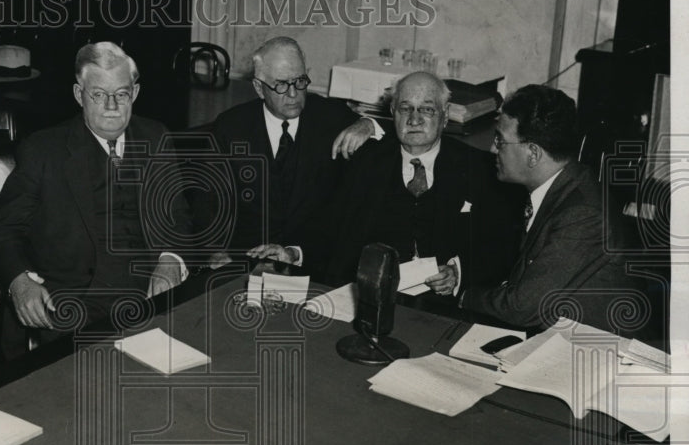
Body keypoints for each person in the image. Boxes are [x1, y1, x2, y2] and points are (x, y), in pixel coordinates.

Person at [0, 42, 192, 343]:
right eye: (98, 95)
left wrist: (171, 259)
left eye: (121, 94)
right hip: (68, 303)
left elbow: (178, 216)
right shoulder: (43, 150)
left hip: (148, 296)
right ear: (78, 95)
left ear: (134, 93)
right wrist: (20, 281)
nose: (111, 107)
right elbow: (5, 231)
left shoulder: (156, 137)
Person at [253, 71, 524, 294]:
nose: (414, 119)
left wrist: (457, 272)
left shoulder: (480, 168)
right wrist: (292, 252)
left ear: (444, 115)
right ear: (392, 112)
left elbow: (501, 245)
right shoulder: (365, 163)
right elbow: (330, 227)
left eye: (426, 109)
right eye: (405, 108)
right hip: (368, 297)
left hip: (445, 310)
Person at [460, 84, 633, 331]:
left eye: (500, 140)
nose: (492, 148)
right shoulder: (564, 186)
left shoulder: (583, 215)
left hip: (590, 354)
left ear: (533, 153)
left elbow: (522, 308)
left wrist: (464, 296)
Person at [193, 36, 378, 260]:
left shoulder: (330, 116)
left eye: (300, 81)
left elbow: (389, 145)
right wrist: (215, 252)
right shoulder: (231, 127)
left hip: (312, 261)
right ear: (259, 88)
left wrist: (368, 125)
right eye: (281, 85)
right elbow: (207, 203)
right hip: (246, 259)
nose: (293, 94)